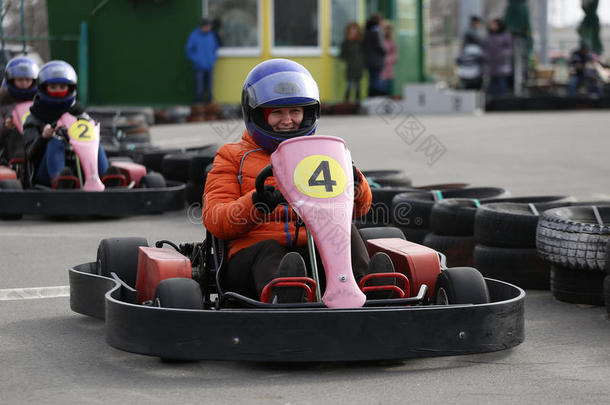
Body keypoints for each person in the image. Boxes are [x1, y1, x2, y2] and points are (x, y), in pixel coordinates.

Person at [202, 58, 394, 303]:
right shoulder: (232, 156)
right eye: (277, 113)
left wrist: (356, 185)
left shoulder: (320, 152)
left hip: (314, 251)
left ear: (307, 113)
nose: (287, 120)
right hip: (251, 259)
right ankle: (286, 296)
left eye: (295, 112)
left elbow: (359, 209)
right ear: (257, 115)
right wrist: (257, 203)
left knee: (344, 230)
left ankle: (372, 290)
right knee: (271, 251)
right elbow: (216, 219)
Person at [22, 60, 109, 188]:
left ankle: (105, 178)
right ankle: (60, 181)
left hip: (79, 171)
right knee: (55, 142)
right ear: (43, 88)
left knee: (94, 142)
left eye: (62, 87)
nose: (58, 91)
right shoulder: (34, 118)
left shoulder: (79, 114)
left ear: (70, 88)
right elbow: (30, 154)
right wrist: (43, 138)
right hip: (44, 176)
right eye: (53, 87)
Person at [0, 57, 38, 166]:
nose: (24, 83)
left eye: (27, 80)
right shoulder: (3, 103)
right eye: (20, 80)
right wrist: (6, 126)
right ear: (11, 80)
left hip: (37, 145)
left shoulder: (39, 103)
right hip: (7, 152)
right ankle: (19, 159)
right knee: (17, 130)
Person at [185, 17, 219, 104]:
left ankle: (209, 106)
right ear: (203, 26)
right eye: (207, 26)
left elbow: (215, 48)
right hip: (199, 67)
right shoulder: (194, 35)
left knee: (209, 88)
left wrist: (213, 59)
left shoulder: (211, 35)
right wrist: (197, 60)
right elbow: (189, 50)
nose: (209, 28)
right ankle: (197, 106)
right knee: (199, 88)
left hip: (210, 66)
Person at [483, 19, 512, 97]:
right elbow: (485, 47)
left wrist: (502, 54)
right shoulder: (489, 35)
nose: (492, 26)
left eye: (494, 24)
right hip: (491, 64)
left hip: (501, 64)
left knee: (501, 82)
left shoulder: (505, 35)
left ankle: (502, 100)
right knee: (492, 83)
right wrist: (486, 56)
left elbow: (509, 48)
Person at [340, 22, 365, 103]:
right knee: (349, 86)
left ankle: (357, 103)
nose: (354, 32)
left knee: (358, 87)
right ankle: (346, 103)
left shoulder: (360, 42)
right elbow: (342, 55)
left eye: (355, 30)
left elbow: (363, 54)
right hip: (350, 67)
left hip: (358, 67)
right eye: (352, 30)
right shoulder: (346, 43)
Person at [363, 14, 386, 97]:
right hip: (377, 61)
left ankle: (371, 95)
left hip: (369, 60)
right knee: (376, 79)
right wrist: (384, 51)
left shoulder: (367, 32)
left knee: (372, 79)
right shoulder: (377, 32)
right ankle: (376, 96)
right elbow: (380, 46)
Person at [379, 20, 397, 96]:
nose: (387, 31)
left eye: (389, 29)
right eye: (385, 28)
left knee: (386, 89)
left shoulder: (392, 41)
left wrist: (388, 59)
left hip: (388, 68)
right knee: (379, 88)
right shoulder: (379, 40)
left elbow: (395, 55)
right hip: (379, 68)